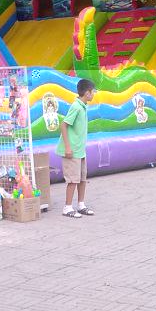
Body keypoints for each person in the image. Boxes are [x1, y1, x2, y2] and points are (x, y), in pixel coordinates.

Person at [58, 78, 96, 218]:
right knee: (73, 180)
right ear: (87, 93)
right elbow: (63, 125)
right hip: (72, 151)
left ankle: (81, 205)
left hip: (80, 151)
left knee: (82, 179)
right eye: (93, 92)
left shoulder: (83, 106)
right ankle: (67, 207)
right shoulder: (76, 107)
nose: (94, 94)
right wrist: (68, 148)